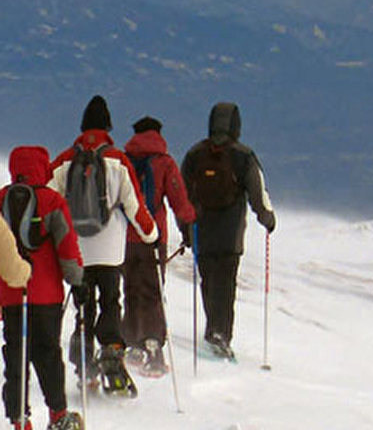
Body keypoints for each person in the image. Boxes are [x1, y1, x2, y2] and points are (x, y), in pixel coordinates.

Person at [48, 95, 158, 395]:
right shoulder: (118, 161)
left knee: (84, 304)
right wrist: (151, 235)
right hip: (110, 250)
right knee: (111, 301)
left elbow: (47, 197)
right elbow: (134, 205)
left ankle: (84, 357)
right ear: (108, 127)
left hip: (77, 250)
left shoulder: (65, 160)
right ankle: (111, 347)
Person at [2, 146, 85, 430]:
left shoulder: (0, 199)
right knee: (48, 354)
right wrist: (77, 281)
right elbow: (67, 245)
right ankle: (58, 417)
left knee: (15, 358)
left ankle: (21, 427)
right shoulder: (52, 201)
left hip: (11, 294)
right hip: (46, 295)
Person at [180, 101, 276, 360]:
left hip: (202, 232)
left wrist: (185, 232)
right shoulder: (243, 155)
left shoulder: (194, 154)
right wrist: (267, 219)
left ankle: (213, 331)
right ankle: (220, 336)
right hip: (230, 234)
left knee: (208, 282)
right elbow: (258, 193)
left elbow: (182, 195)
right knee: (226, 285)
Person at [122, 115, 196, 376]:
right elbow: (179, 199)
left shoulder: (124, 161)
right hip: (154, 238)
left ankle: (132, 344)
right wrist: (188, 227)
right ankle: (153, 347)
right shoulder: (164, 162)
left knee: (130, 287)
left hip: (126, 237)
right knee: (153, 291)